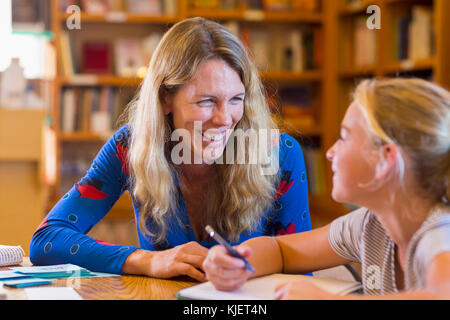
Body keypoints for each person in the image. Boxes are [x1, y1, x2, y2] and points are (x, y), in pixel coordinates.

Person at [29, 17, 312, 281]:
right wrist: (146, 260)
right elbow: (47, 239)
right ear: (165, 99)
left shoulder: (279, 153)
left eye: (237, 99)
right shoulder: (130, 146)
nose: (225, 119)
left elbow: (301, 272)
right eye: (207, 101)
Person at [203, 78, 450, 299]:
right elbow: (282, 250)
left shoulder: (440, 229)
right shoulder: (370, 225)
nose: (330, 153)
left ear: (385, 159)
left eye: (344, 137)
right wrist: (237, 262)